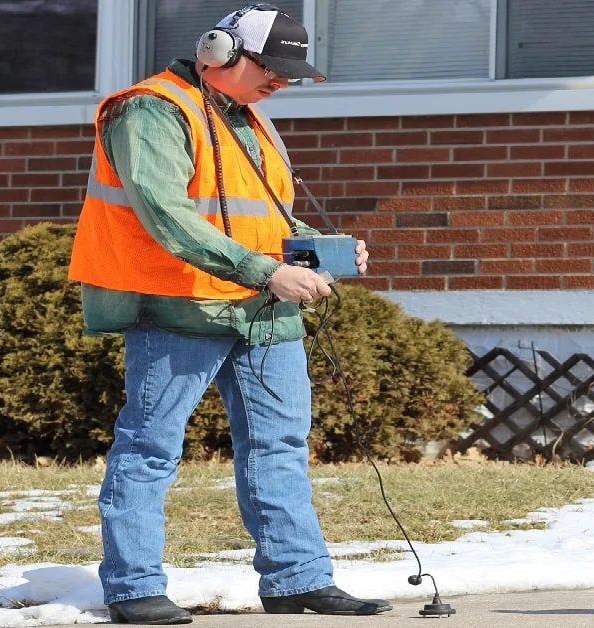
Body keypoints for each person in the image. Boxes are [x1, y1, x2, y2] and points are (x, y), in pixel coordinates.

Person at [68, 4, 390, 625]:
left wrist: (319, 249)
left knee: (280, 444)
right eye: (274, 67)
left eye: (291, 72)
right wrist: (268, 270)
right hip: (179, 306)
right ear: (219, 52)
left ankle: (297, 580)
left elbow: (262, 217)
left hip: (263, 311)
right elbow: (167, 215)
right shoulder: (150, 110)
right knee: (150, 446)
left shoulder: (252, 122)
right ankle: (133, 588)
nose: (283, 81)